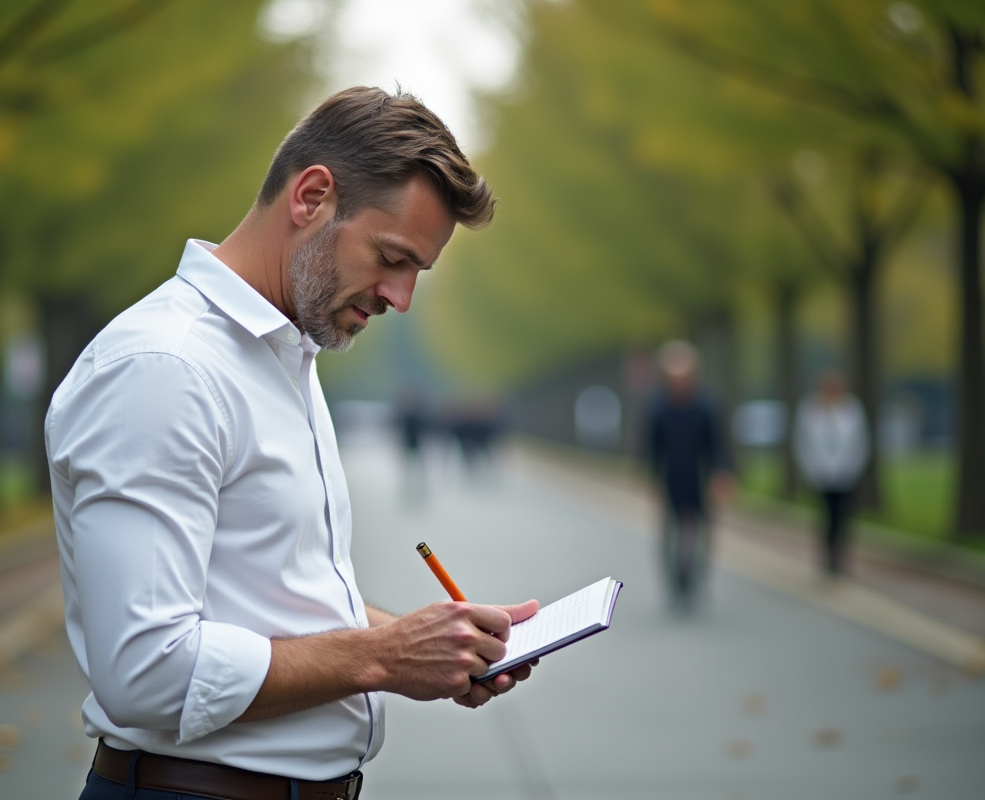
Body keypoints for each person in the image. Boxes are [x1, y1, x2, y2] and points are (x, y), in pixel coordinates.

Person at [45, 87, 539, 800]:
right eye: (392, 257)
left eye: (417, 275)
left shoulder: (283, 356)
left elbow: (273, 597)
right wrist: (383, 657)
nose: (400, 298)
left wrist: (436, 646)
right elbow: (145, 674)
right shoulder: (166, 368)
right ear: (310, 197)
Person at [645, 340, 735, 612]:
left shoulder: (706, 405)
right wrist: (652, 479)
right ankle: (676, 582)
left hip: (700, 477)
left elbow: (718, 443)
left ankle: (697, 578)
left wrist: (722, 474)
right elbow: (651, 447)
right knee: (670, 534)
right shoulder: (657, 407)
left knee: (703, 533)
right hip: (671, 478)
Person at [792, 369, 869, 575]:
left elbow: (860, 442)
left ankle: (840, 556)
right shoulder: (809, 409)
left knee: (843, 516)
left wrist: (854, 468)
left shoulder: (852, 409)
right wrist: (810, 470)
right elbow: (802, 443)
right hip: (821, 473)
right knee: (827, 516)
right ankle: (828, 555)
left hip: (846, 473)